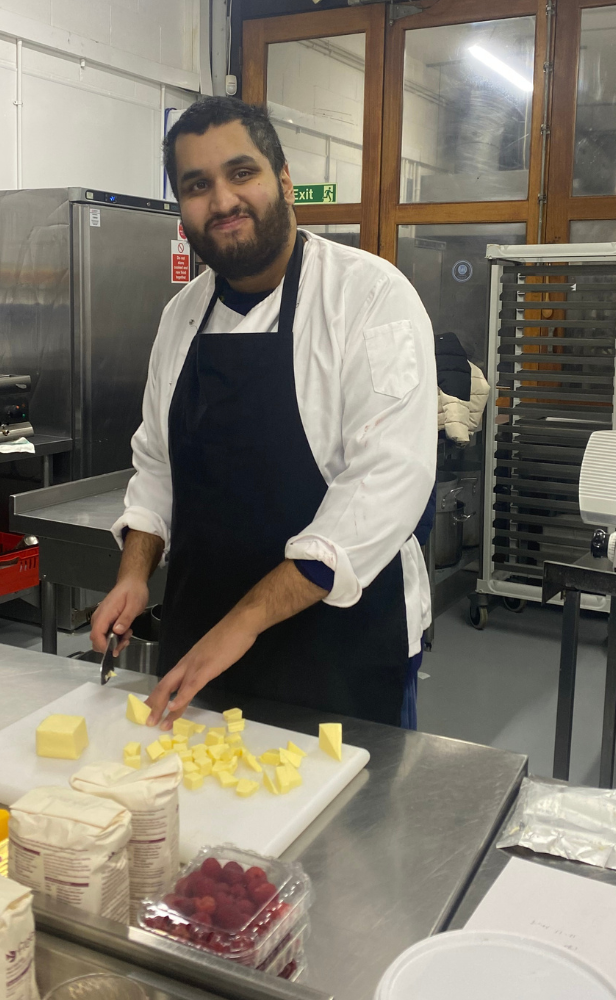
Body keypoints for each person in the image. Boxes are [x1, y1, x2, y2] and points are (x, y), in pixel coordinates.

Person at [89, 96, 436, 730]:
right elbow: (157, 465)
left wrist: (245, 621)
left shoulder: (371, 297)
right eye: (197, 186)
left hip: (342, 646)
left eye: (240, 173)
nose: (221, 200)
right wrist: (134, 574)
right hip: (203, 645)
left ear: (283, 181)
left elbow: (387, 483)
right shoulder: (181, 317)